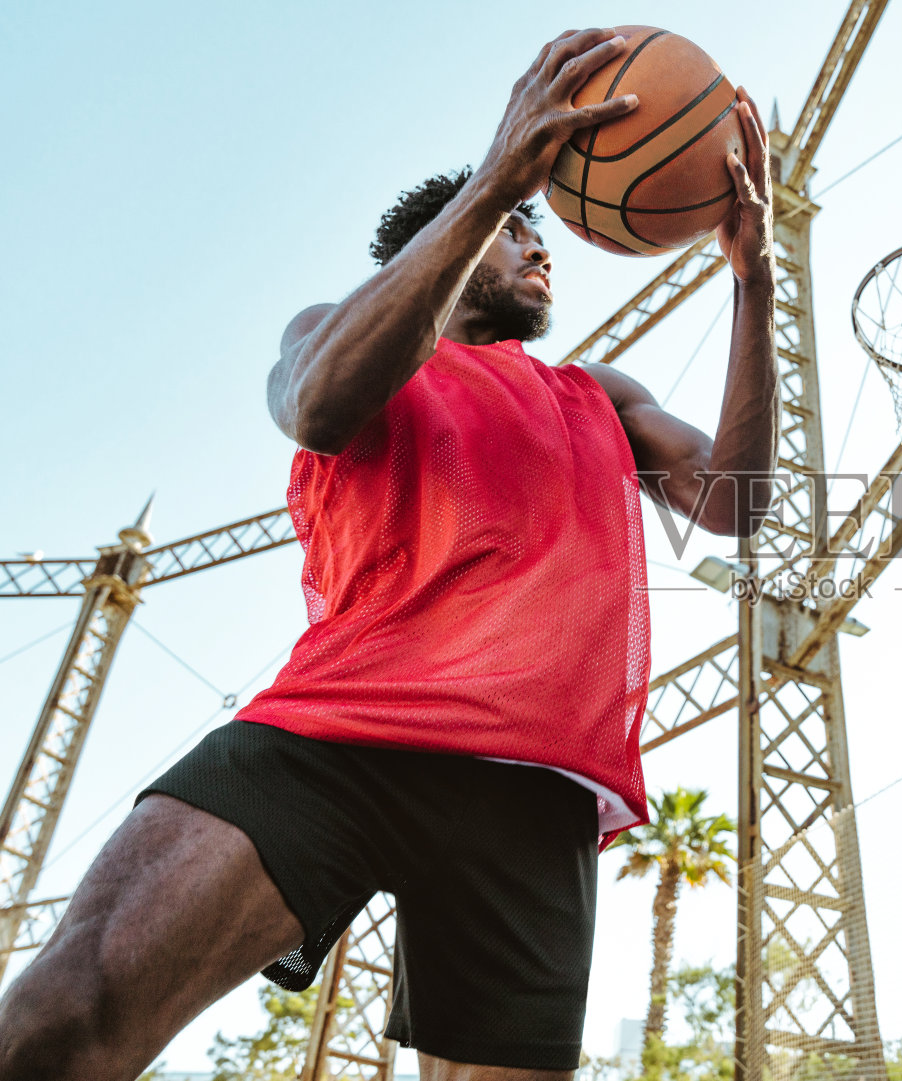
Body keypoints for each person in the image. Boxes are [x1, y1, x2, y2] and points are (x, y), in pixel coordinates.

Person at [0, 27, 777, 1081]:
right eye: (516, 228)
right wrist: (496, 179)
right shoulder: (338, 333)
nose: (540, 246)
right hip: (346, 728)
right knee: (64, 1013)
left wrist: (753, 284)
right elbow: (316, 405)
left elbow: (735, 502)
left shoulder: (601, 397)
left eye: (538, 229)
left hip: (534, 787)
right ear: (457, 236)